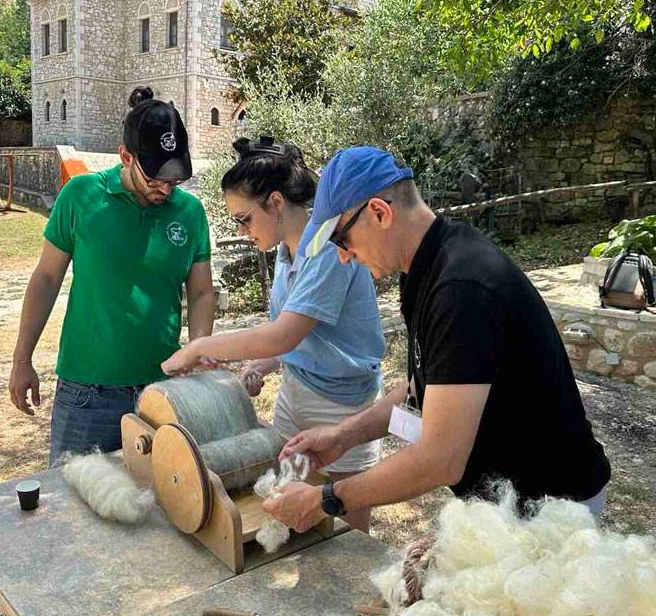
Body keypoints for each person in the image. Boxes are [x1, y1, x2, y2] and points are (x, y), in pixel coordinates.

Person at [262, 146, 611, 532]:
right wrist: (344, 436)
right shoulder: (426, 268)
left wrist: (325, 499)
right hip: (508, 505)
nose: (344, 256)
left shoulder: (460, 289)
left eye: (342, 240)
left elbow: (441, 459)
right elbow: (423, 388)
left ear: (379, 213)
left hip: (550, 509)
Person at [8, 87, 215, 616]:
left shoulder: (190, 212)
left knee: (157, 528)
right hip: (86, 395)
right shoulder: (81, 198)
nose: (166, 188)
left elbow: (200, 293)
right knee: (65, 530)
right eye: (155, 176)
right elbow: (47, 277)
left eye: (175, 176)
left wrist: (198, 353)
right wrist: (21, 359)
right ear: (125, 158)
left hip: (159, 400)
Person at [162, 136, 386, 532]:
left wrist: (198, 347)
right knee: (289, 516)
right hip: (295, 395)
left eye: (245, 218)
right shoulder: (286, 251)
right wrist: (260, 365)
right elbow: (296, 336)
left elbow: (283, 335)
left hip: (343, 409)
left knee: (346, 533)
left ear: (276, 202)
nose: (243, 230)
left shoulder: (328, 250)